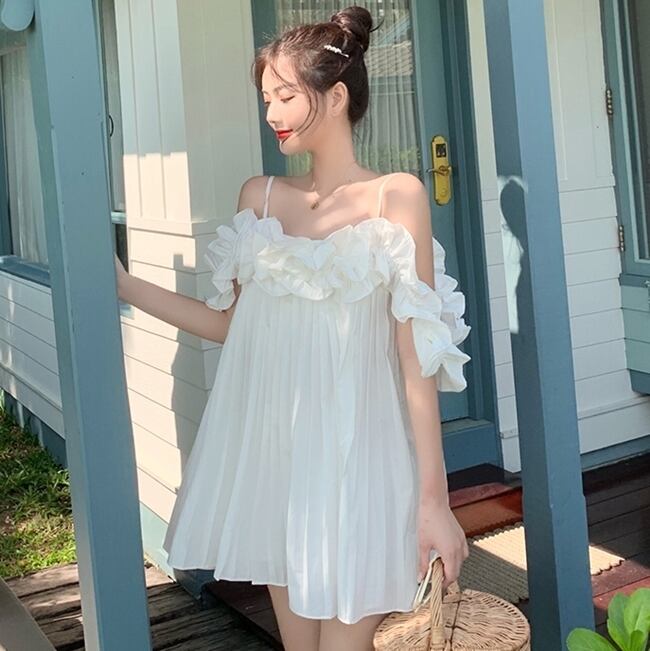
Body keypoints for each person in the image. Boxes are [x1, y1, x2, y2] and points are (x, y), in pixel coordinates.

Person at [114, 5, 471, 650]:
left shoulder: (396, 197)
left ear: (335, 97)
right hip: (280, 468)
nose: (272, 112)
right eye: (266, 99)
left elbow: (415, 354)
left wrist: (434, 501)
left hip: (363, 463)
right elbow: (228, 324)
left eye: (285, 96)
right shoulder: (260, 198)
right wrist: (125, 286)